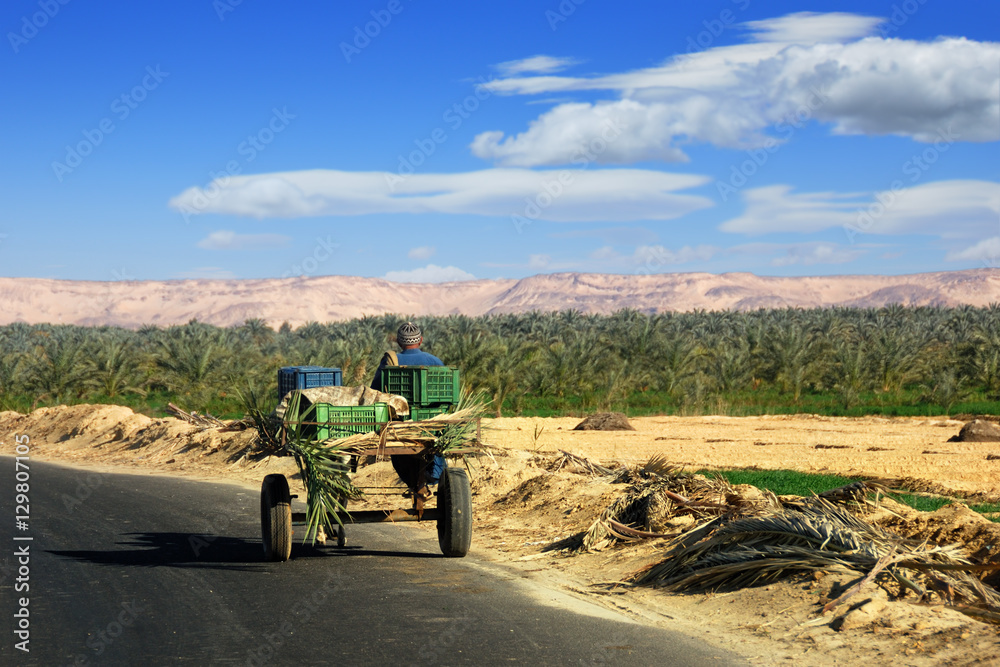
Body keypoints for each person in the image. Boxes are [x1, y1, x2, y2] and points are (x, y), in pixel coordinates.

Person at [372, 321, 447, 490]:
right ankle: (431, 478)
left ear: (399, 342)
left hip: (399, 427)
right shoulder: (435, 361)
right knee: (436, 451)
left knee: (398, 456)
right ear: (420, 340)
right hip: (431, 425)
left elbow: (374, 391)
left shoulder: (390, 362)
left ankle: (415, 485)